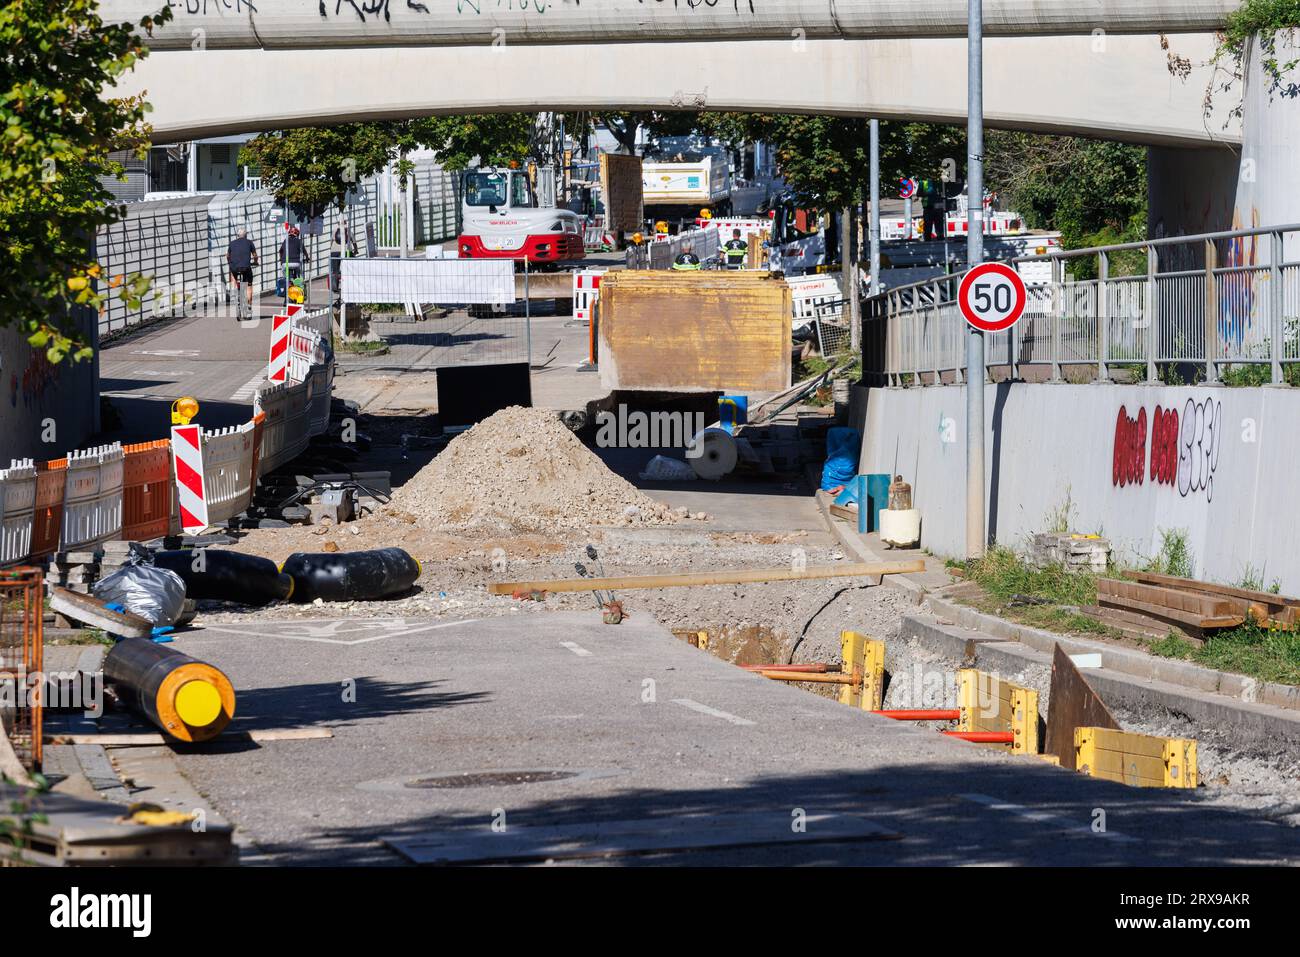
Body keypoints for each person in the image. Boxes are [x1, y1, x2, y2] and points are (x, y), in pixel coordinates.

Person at [226, 227, 257, 319]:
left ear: (237, 235)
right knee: (249, 286)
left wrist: (229, 262)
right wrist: (255, 262)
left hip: (235, 268)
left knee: (233, 273)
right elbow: (255, 255)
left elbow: (228, 256)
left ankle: (235, 291)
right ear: (246, 235)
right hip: (246, 267)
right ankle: (248, 307)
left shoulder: (232, 243)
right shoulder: (249, 242)